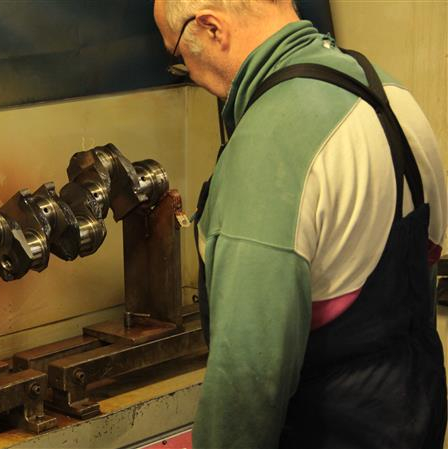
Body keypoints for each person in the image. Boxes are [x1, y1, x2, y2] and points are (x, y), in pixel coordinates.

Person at [153, 1, 448, 447]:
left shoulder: (269, 144)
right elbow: (426, 261)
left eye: (178, 54)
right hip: (414, 417)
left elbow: (247, 381)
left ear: (212, 28)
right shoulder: (389, 92)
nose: (188, 72)